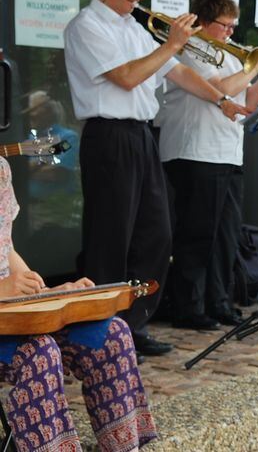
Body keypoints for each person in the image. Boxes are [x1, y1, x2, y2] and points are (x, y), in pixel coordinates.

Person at [63, 0, 245, 358]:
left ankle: (132, 324)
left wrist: (220, 100)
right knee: (111, 235)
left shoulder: (133, 28)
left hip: (142, 135)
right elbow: (127, 77)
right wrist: (172, 43)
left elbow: (177, 72)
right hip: (109, 135)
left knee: (156, 233)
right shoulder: (87, 25)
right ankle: (99, 330)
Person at [0, 156, 156, 451]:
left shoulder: (0, 169)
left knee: (114, 336)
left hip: (15, 315)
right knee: (39, 352)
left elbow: (6, 249)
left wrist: (48, 292)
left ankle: (124, 447)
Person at [155, 0, 258, 329]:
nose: (229, 32)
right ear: (204, 23)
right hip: (195, 150)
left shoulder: (231, 54)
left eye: (232, 26)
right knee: (197, 233)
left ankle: (219, 300)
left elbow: (247, 101)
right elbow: (219, 90)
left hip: (226, 151)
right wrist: (253, 66)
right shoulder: (191, 47)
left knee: (226, 235)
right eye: (224, 26)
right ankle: (188, 305)